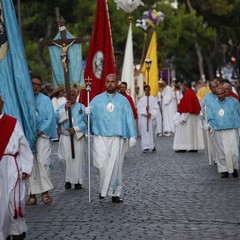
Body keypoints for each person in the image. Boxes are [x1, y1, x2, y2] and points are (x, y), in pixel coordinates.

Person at [86, 74, 136, 203]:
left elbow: (129, 118)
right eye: (108, 81)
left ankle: (115, 193)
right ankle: (104, 189)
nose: (110, 84)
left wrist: (132, 136)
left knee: (116, 165)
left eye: (112, 81)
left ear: (117, 83)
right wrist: (86, 113)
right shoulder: (96, 100)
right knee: (100, 164)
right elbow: (87, 117)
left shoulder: (123, 101)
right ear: (105, 83)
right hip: (100, 136)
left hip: (117, 136)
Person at [0, 95, 33, 240]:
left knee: (15, 200)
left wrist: (26, 168)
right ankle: (4, 233)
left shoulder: (12, 123)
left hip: (12, 166)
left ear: (2, 103)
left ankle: (18, 230)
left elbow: (24, 146)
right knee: (1, 203)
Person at [26, 76, 57, 206]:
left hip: (42, 136)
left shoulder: (46, 100)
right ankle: (32, 194)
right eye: (33, 84)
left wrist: (40, 130)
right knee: (30, 165)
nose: (36, 86)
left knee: (43, 162)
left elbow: (50, 118)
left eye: (38, 84)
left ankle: (45, 193)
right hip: (28, 137)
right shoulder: (25, 99)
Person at [56, 89, 87, 190]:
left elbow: (86, 122)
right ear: (66, 95)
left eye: (74, 94)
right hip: (65, 136)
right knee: (64, 158)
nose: (72, 96)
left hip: (78, 136)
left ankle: (78, 181)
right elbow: (56, 120)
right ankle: (67, 180)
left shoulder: (82, 107)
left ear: (77, 94)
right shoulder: (61, 107)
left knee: (77, 158)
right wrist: (65, 109)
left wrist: (76, 129)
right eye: (70, 94)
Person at [207, 86, 240, 178]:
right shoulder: (212, 104)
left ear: (225, 93)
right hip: (219, 130)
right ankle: (224, 170)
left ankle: (234, 169)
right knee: (221, 151)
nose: (220, 96)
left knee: (233, 151)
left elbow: (238, 113)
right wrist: (213, 125)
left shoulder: (233, 102)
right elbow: (210, 117)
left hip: (232, 130)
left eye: (222, 93)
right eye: (218, 94)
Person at [173, 81, 204, 152]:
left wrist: (182, 118)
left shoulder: (188, 94)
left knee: (183, 133)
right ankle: (193, 147)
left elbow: (187, 109)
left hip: (188, 117)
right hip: (192, 117)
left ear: (184, 86)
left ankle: (183, 147)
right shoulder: (191, 93)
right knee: (192, 134)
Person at [137, 85, 158, 152]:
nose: (147, 91)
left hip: (151, 118)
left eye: (148, 90)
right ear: (144, 91)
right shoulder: (141, 99)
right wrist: (145, 111)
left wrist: (151, 113)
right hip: (144, 119)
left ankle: (152, 145)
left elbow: (156, 109)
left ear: (150, 90)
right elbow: (139, 109)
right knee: (145, 132)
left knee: (152, 132)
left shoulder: (153, 99)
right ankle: (146, 146)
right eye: (145, 90)